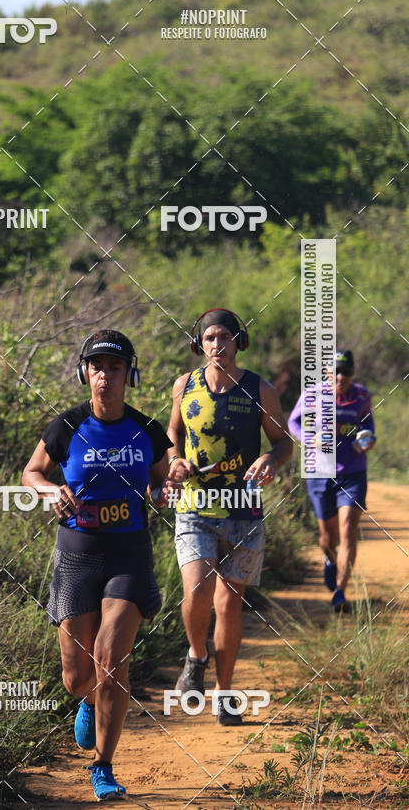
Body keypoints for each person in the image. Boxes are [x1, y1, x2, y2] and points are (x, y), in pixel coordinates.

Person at [22, 330, 173, 801]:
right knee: (77, 677)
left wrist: (166, 491)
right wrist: (50, 491)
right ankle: (87, 700)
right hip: (77, 556)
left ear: (130, 374)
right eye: (97, 366)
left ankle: (102, 766)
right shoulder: (67, 427)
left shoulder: (148, 431)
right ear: (85, 372)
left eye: (115, 367)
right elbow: (31, 473)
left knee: (112, 660)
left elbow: (161, 482)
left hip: (128, 553)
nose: (105, 375)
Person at [166, 309, 292, 724]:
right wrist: (175, 461)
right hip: (195, 507)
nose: (217, 345)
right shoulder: (185, 386)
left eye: (225, 337)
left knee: (229, 603)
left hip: (244, 511)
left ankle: (223, 694)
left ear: (239, 341)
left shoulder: (260, 389)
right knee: (197, 591)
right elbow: (173, 436)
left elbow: (282, 442)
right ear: (198, 344)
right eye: (209, 338)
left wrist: (271, 459)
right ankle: (196, 655)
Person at [288, 349, 375, 612]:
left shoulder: (362, 395)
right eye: (335, 371)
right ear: (327, 371)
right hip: (320, 472)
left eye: (346, 372)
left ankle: (340, 592)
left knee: (348, 528)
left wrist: (367, 440)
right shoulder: (313, 394)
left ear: (353, 372)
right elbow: (293, 423)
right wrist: (309, 439)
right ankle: (329, 560)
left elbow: (368, 425)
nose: (340, 377)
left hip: (352, 471)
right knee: (327, 538)